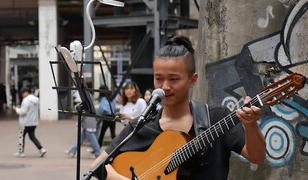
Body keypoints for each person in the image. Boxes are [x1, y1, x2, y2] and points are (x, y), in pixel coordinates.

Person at [90, 35, 266, 179]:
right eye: (159, 78)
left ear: (193, 80)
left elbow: (257, 157)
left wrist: (251, 125)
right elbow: (97, 166)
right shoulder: (142, 126)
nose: (165, 86)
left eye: (174, 79)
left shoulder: (216, 117)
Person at [13, 87, 47, 158]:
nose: (22, 95)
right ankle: (41, 149)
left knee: (21, 137)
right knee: (32, 136)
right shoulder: (36, 100)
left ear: (26, 92)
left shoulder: (26, 101)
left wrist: (16, 109)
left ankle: (21, 152)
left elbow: (23, 112)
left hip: (25, 122)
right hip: (34, 122)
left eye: (22, 93)